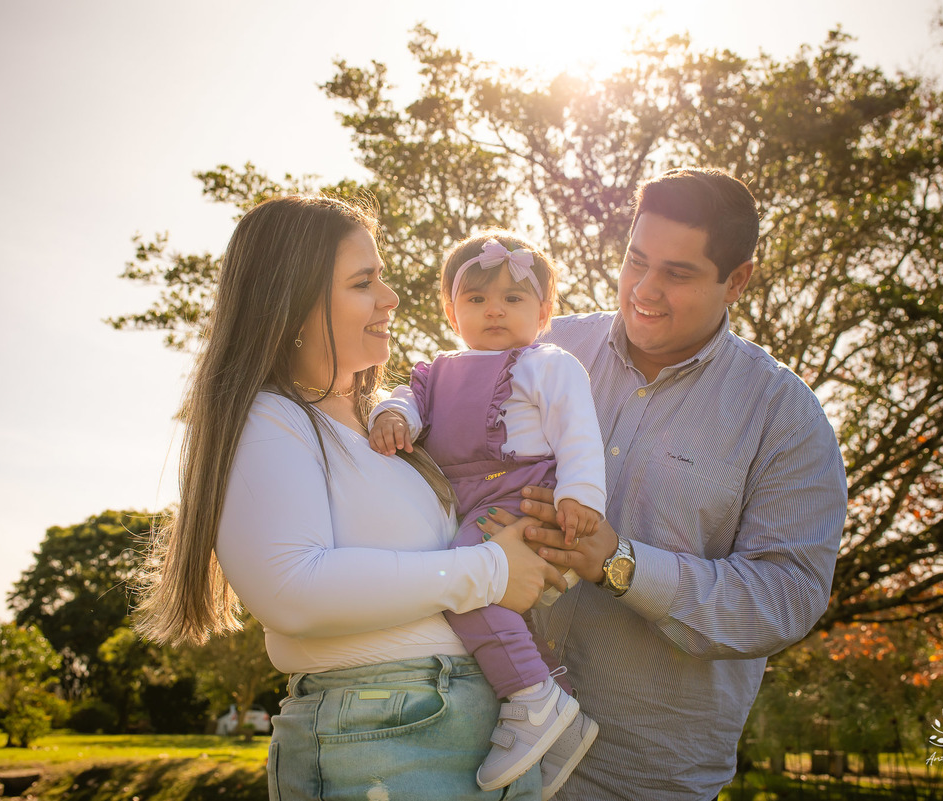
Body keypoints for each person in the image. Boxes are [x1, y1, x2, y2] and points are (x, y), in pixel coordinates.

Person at [134, 195, 565, 800]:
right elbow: (292, 589)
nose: (390, 298)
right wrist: (492, 571)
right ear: (294, 307)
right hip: (381, 734)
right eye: (364, 282)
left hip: (478, 718)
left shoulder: (392, 425)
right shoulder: (272, 418)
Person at [478, 168, 849, 800]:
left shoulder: (784, 416)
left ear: (738, 280)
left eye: (678, 274)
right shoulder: (542, 348)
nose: (645, 290)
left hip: (639, 780)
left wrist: (620, 564)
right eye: (636, 261)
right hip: (479, 749)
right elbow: (448, 442)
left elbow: (789, 596)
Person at [368, 231, 606, 795]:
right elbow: (406, 397)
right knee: (480, 593)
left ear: (545, 311)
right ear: (451, 311)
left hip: (520, 497)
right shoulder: (438, 370)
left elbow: (579, 432)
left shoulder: (548, 363)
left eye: (514, 298)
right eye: (475, 299)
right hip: (461, 499)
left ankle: (530, 697)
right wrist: (390, 412)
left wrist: (581, 497)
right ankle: (558, 702)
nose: (494, 309)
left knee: (464, 583)